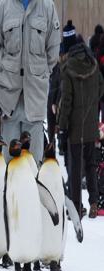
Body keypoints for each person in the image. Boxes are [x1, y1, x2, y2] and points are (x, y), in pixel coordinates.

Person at [0, 0, 61, 163]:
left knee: (33, 164)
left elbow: (53, 50)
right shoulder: (2, 7)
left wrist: (41, 73)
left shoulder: (47, 7)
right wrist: (7, 70)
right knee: (10, 163)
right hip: (9, 100)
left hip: (35, 98)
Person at [58, 20, 104, 219]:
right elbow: (102, 89)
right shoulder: (93, 66)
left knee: (76, 168)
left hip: (75, 128)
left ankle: (76, 207)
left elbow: (66, 101)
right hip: (91, 124)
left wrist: (62, 126)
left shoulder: (68, 69)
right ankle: (94, 202)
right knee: (91, 163)